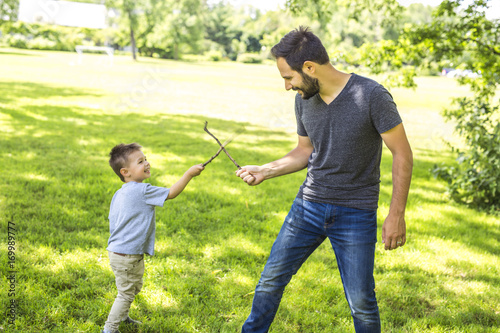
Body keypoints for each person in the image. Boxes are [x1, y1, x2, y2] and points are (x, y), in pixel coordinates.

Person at [236, 26, 413, 333]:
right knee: (270, 280)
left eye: (288, 78)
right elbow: (304, 150)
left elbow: (402, 154)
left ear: (309, 67)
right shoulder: (305, 98)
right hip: (308, 206)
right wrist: (266, 170)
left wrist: (396, 213)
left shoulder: (372, 95)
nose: (288, 87)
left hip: (356, 212)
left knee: (361, 300)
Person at [102, 143, 204, 333]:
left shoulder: (120, 192)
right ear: (126, 172)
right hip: (127, 255)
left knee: (132, 288)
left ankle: (122, 316)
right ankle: (109, 329)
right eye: (141, 162)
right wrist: (189, 174)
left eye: (146, 159)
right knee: (125, 294)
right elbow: (171, 193)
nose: (147, 163)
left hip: (120, 253)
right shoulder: (142, 190)